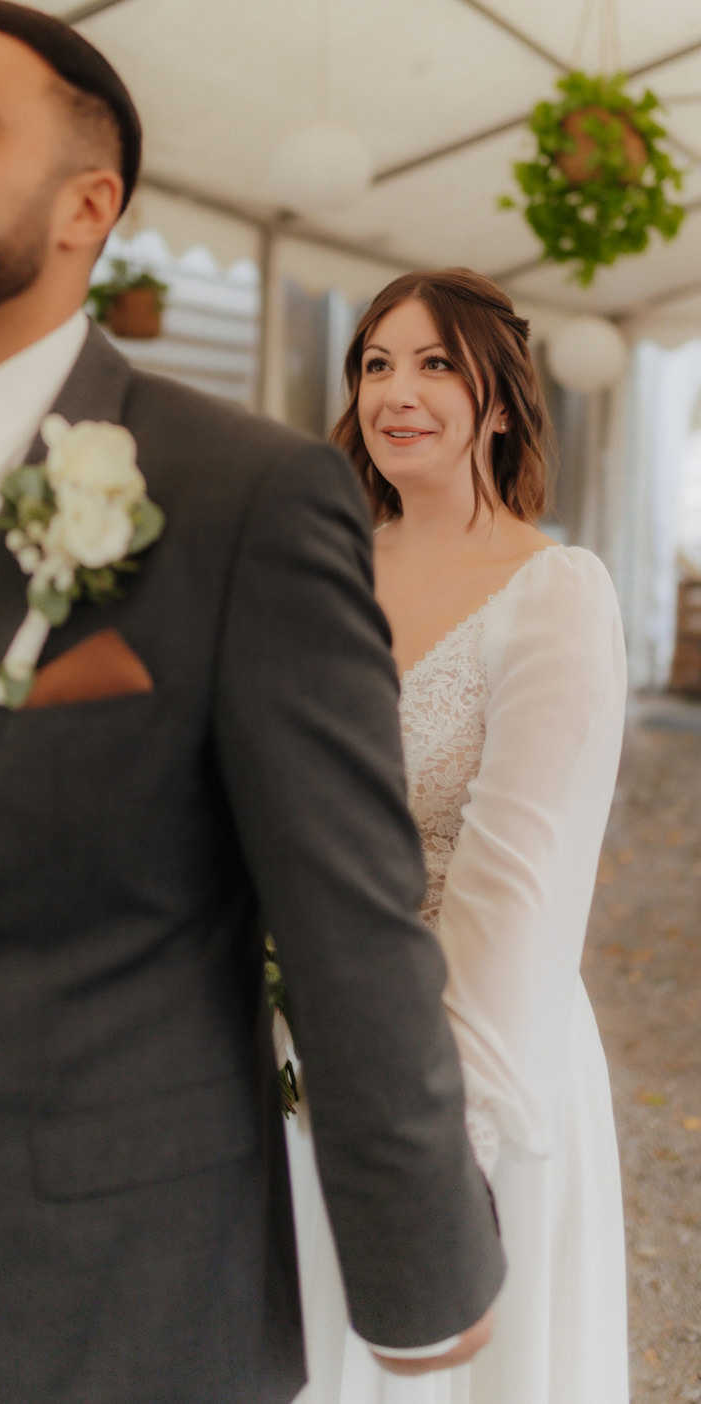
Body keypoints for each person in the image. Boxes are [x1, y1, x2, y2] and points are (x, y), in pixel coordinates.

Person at [0, 0, 503, 1404]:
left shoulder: (245, 498)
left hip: (96, 1312)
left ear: (90, 205)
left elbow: (346, 922)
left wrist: (420, 1275)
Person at [285, 268, 627, 1404]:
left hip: (465, 1053)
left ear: (497, 398)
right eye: (376, 362)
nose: (398, 390)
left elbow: (519, 876)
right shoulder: (317, 573)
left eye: (434, 362)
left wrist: (442, 1137)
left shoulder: (554, 593)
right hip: (288, 1048)